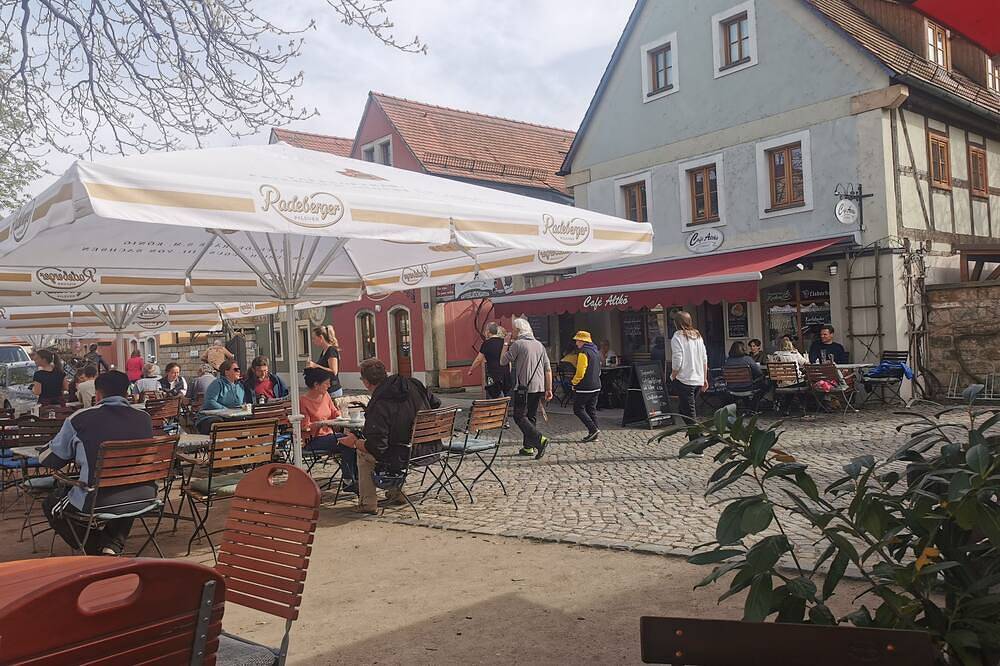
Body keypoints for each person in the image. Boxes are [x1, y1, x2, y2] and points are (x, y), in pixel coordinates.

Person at [40, 371, 155, 555]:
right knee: (126, 487)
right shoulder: (144, 418)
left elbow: (52, 460)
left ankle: (96, 549)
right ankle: (111, 546)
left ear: (98, 394)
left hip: (98, 499)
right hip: (145, 495)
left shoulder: (80, 418)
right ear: (127, 392)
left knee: (51, 505)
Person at [338, 358, 441, 514]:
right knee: (394, 445)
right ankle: (395, 492)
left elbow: (376, 447)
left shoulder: (379, 403)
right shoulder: (413, 384)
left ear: (366, 382)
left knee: (363, 452)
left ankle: (368, 503)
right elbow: (436, 403)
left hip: (405, 455)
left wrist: (354, 442)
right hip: (430, 447)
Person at [500, 318, 553, 459]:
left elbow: (503, 361)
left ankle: (540, 439)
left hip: (523, 387)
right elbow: (548, 369)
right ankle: (528, 447)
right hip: (539, 386)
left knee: (519, 416)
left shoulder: (518, 344)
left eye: (513, 329)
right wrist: (549, 388)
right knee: (531, 416)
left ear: (518, 330)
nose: (512, 331)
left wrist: (506, 342)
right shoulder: (539, 345)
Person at [299, 367, 357, 494]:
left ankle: (353, 478)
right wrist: (319, 424)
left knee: (354, 439)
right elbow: (304, 426)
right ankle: (349, 480)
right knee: (347, 441)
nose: (329, 386)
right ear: (316, 385)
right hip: (314, 439)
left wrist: (338, 416)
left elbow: (334, 412)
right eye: (326, 383)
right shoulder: (303, 401)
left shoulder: (325, 396)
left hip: (330, 435)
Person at [670, 311, 708, 431]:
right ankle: (696, 439)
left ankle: (698, 442)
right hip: (698, 378)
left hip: (685, 379)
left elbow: (678, 358)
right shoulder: (697, 336)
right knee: (683, 409)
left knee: (690, 413)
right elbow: (704, 358)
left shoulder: (677, 337)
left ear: (676, 323)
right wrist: (704, 378)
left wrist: (673, 374)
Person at [195, 359, 245, 434]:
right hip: (212, 416)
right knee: (218, 423)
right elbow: (210, 401)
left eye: (239, 369)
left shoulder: (240, 386)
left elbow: (242, 403)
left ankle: (242, 444)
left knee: (244, 423)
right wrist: (226, 410)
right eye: (235, 370)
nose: (238, 371)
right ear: (226, 372)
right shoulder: (217, 383)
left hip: (233, 416)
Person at [569, 331, 602, 442]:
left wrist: (574, 382)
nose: (576, 343)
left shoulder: (583, 352)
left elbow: (580, 371)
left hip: (585, 386)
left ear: (583, 341)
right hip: (596, 385)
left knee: (578, 409)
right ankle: (595, 432)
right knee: (591, 409)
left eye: (577, 340)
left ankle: (593, 429)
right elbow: (598, 369)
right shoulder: (596, 351)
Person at [467, 322, 511, 398]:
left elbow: (479, 359)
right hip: (505, 372)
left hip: (493, 373)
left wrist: (471, 369)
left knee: (495, 394)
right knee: (505, 393)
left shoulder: (486, 343)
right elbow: (508, 358)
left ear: (488, 331)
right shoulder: (503, 342)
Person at [307, 325, 343, 398]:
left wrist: (315, 366)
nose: (313, 341)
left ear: (321, 337)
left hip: (333, 390)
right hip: (325, 390)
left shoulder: (331, 350)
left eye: (314, 338)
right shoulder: (324, 351)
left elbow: (333, 371)